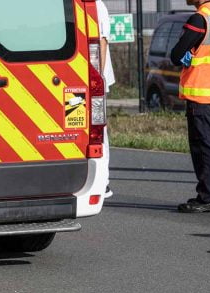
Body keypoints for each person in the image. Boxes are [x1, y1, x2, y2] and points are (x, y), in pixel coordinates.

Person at [170, 0, 210, 213]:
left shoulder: (199, 18)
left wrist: (185, 56)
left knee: (203, 145)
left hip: (201, 90)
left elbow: (175, 54)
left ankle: (208, 197)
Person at [97, 0, 116, 198]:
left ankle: (103, 181)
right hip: (82, 77)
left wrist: (97, 78)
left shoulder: (96, 5)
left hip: (94, 79)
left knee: (98, 130)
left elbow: (102, 41)